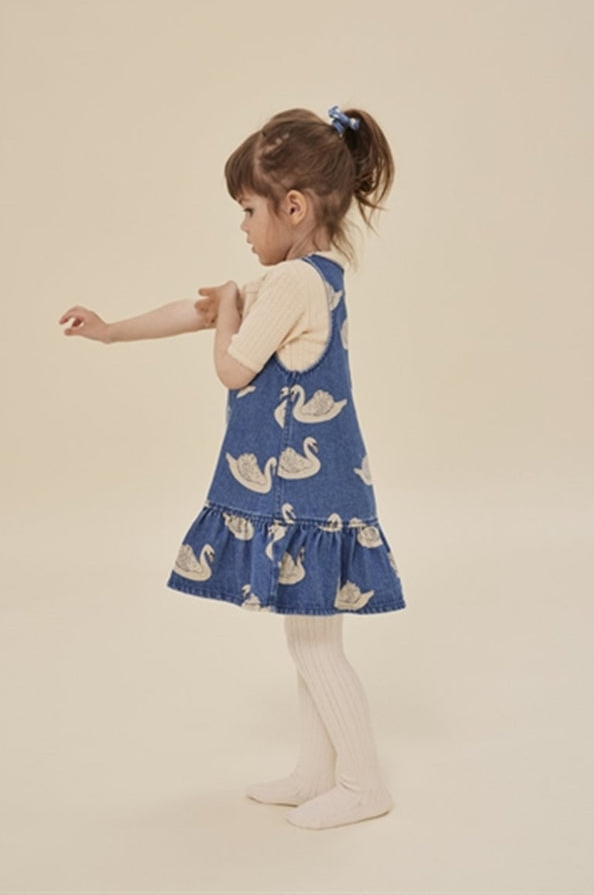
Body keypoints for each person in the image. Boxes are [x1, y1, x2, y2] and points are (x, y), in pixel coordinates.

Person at [58, 105, 406, 830]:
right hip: (313, 493)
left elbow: (233, 367)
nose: (243, 227)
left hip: (309, 496)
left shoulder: (292, 285)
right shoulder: (307, 278)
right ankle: (317, 772)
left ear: (294, 207)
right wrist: (113, 332)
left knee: (315, 644)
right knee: (309, 636)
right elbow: (199, 309)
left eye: (248, 210)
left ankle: (363, 784)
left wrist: (225, 314)